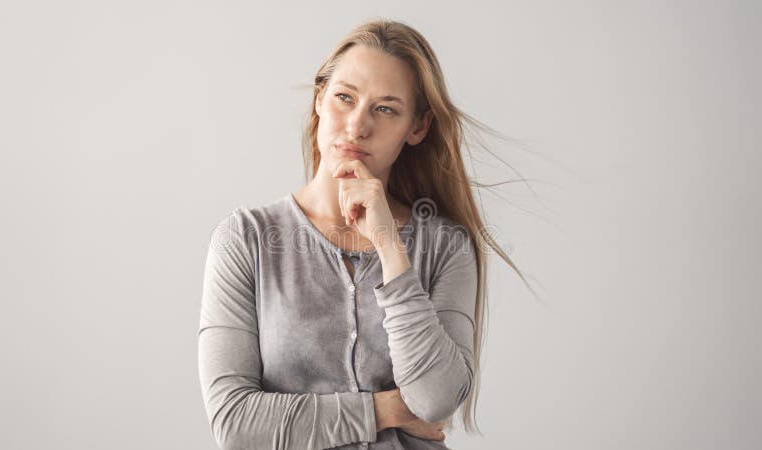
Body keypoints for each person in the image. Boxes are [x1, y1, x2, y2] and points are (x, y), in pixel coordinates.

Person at [198, 18, 531, 450]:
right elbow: (235, 423)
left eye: (386, 108)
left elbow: (434, 400)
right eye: (344, 98)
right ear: (319, 100)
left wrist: (391, 249)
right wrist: (384, 411)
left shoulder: (447, 246)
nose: (357, 126)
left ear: (417, 128)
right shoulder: (244, 240)